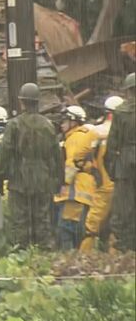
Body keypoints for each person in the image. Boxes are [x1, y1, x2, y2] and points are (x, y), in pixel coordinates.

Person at [0, 83, 62, 248]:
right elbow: (57, 156)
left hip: (19, 178)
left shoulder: (14, 125)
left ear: (22, 102)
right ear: (37, 101)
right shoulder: (48, 125)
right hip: (42, 178)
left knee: (20, 221)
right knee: (42, 219)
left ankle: (22, 255)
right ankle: (45, 253)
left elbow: (5, 153)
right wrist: (58, 180)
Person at [79, 96, 124, 251]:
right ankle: (116, 262)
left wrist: (92, 170)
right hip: (123, 186)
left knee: (91, 227)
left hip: (103, 186)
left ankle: (84, 259)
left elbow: (81, 156)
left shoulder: (96, 131)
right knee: (118, 226)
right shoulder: (127, 131)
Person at [54, 106, 98, 250]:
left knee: (66, 231)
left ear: (74, 121)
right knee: (78, 232)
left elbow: (70, 165)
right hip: (82, 191)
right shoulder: (84, 135)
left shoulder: (74, 138)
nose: (61, 124)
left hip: (73, 192)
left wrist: (57, 184)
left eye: (65, 120)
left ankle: (70, 264)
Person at [107, 73, 136, 251]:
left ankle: (125, 247)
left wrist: (113, 170)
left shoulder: (120, 112)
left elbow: (112, 145)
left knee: (123, 208)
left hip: (124, 164)